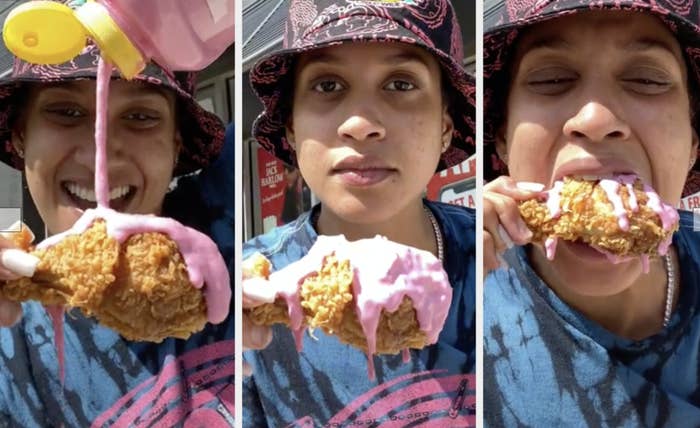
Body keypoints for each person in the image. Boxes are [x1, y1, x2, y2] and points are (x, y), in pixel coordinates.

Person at [242, 0, 476, 426]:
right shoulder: (247, 288)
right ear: (291, 127)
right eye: (328, 85)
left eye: (401, 84)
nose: (360, 124)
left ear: (446, 125)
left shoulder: (509, 261)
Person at [482, 0, 700, 425]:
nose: (594, 119)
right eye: (552, 78)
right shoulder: (457, 300)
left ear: (695, 145)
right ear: (503, 139)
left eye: (646, 79)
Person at [0, 43, 233, 426]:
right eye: (66, 112)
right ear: (21, 134)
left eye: (140, 116)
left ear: (176, 144)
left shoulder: (223, 220)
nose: (100, 157)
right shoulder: (11, 346)